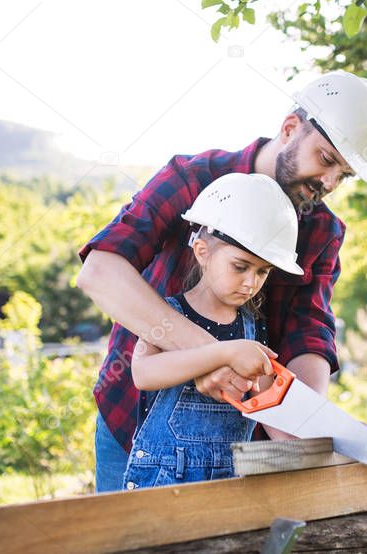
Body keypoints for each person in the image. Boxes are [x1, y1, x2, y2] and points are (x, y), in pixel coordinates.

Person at [77, 70, 367, 493]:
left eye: (345, 174)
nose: (330, 183)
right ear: (290, 129)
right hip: (134, 430)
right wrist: (212, 356)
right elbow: (101, 271)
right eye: (327, 159)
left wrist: (303, 419)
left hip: (234, 447)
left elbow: (308, 332)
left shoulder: (322, 231)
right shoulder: (192, 178)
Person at [122, 172, 303, 489]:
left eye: (262, 272)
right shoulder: (169, 314)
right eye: (240, 266)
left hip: (230, 479)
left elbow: (265, 402)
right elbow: (143, 373)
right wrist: (221, 352)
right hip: (164, 479)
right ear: (203, 252)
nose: (251, 283)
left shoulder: (252, 325)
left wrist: (319, 439)